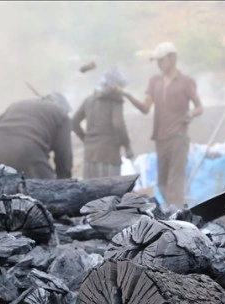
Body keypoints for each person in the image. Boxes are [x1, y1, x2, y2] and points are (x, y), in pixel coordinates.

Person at [123, 41, 203, 209]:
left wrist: (190, 114)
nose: (159, 64)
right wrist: (128, 95)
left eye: (162, 60)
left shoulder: (185, 82)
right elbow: (145, 108)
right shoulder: (154, 82)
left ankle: (176, 214)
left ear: (172, 58)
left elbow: (199, 107)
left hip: (178, 137)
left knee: (175, 180)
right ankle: (172, 210)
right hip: (161, 138)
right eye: (157, 61)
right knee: (162, 182)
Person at [0, 92, 73, 179]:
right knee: (45, 189)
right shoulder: (62, 115)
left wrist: (4, 144)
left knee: (7, 188)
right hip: (27, 148)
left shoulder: (19, 104)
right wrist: (64, 183)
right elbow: (64, 156)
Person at [72, 67, 134, 179]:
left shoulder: (89, 100)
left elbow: (74, 122)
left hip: (89, 156)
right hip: (108, 156)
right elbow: (118, 124)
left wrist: (86, 140)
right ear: (114, 85)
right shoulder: (115, 101)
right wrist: (127, 145)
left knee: (90, 194)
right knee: (109, 194)